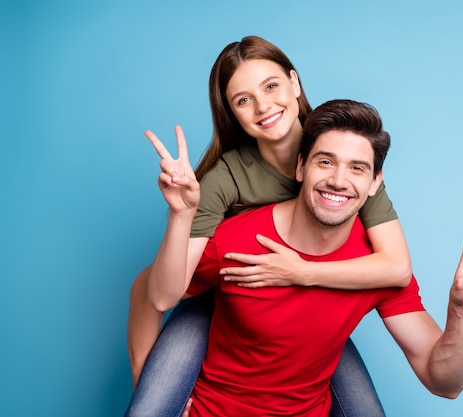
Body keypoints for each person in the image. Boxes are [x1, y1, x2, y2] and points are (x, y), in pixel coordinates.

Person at [147, 99, 463, 416]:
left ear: (375, 182)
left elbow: (445, 384)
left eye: (357, 168)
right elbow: (162, 295)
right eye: (325, 161)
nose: (338, 180)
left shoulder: (376, 269)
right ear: (301, 168)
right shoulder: (235, 240)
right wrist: (181, 216)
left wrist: (462, 315)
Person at [126, 36, 412, 417]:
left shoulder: (342, 157)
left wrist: (302, 272)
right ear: (232, 113)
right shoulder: (224, 178)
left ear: (295, 84)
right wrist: (148, 380)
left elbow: (395, 267)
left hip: (307, 308)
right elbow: (156, 292)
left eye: (271, 86)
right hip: (229, 301)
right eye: (243, 100)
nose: (263, 106)